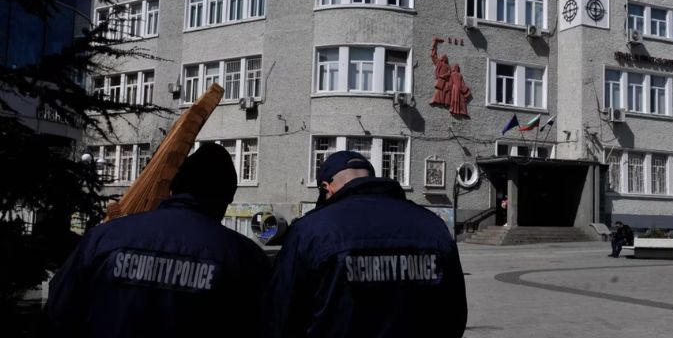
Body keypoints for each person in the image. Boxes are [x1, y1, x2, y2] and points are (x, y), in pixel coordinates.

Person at [47, 143, 270, 338]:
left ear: (173, 188)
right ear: (226, 198)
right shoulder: (244, 258)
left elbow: (57, 315)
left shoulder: (104, 238)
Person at [264, 150, 467, 338]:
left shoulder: (310, 230)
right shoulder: (433, 226)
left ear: (327, 187)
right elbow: (454, 316)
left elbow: (280, 315)